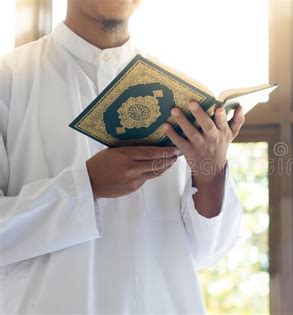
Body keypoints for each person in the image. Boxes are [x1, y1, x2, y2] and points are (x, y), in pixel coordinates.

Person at [0, 0, 244, 313]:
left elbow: (207, 253)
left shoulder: (183, 98)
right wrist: (87, 186)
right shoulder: (8, 83)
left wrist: (210, 172)